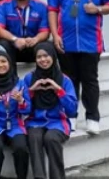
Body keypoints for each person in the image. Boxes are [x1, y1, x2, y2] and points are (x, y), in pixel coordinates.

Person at [48, 0, 109, 135]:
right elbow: (52, 9)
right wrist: (55, 35)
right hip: (66, 41)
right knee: (69, 81)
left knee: (90, 81)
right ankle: (70, 116)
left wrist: (97, 9)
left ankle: (93, 118)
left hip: (90, 41)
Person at [24, 42, 78, 179]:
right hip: (35, 121)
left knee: (51, 138)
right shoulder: (29, 78)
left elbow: (72, 110)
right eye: (39, 57)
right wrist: (31, 91)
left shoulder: (64, 80)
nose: (43, 60)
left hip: (58, 122)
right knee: (34, 137)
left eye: (46, 55)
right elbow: (23, 109)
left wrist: (58, 90)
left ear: (53, 56)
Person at [0, 0, 50, 72]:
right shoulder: (2, 6)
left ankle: (44, 77)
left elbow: (45, 31)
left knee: (47, 46)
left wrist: (35, 39)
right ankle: (11, 77)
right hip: (12, 44)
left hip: (32, 44)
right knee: (3, 43)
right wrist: (15, 39)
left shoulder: (42, 6)